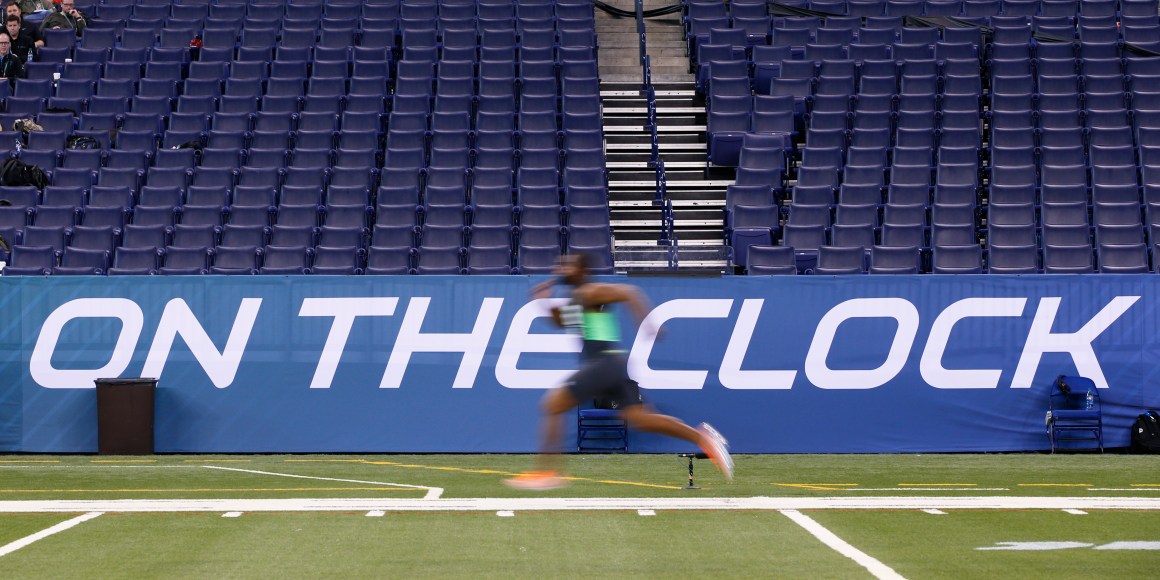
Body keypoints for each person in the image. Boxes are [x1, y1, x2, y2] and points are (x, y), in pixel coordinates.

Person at [503, 253, 733, 490]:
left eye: (568, 265)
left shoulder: (590, 291)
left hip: (603, 364)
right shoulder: (576, 297)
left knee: (552, 405)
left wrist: (647, 322)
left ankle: (546, 472)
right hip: (612, 366)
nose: (561, 268)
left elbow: (629, 292)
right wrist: (544, 302)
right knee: (642, 420)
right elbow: (562, 322)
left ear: (581, 270)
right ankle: (702, 437)